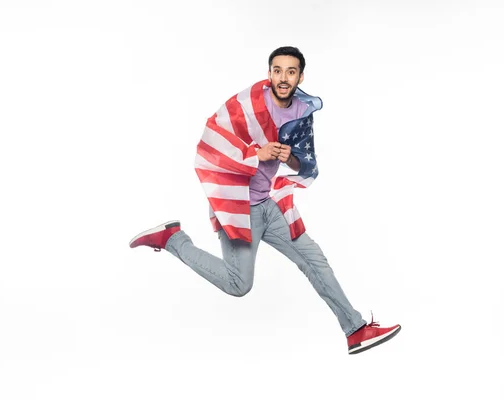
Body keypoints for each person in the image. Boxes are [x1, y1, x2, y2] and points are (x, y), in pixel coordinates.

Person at [129, 46, 401, 355]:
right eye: (277, 70)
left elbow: (304, 163)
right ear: (269, 72)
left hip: (268, 206)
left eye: (291, 71)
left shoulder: (301, 112)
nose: (283, 78)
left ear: (300, 76)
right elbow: (210, 142)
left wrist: (291, 159)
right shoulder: (246, 105)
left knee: (314, 259)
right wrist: (255, 154)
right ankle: (173, 240)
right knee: (238, 285)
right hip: (237, 206)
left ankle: (355, 329)